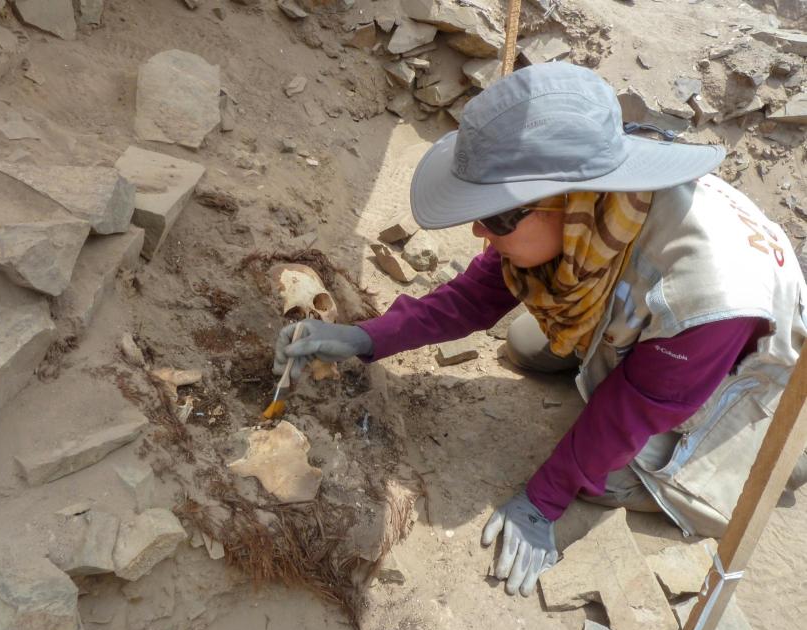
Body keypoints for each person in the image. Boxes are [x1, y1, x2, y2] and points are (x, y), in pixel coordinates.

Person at [272, 62, 807, 598]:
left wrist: (543, 501)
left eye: (498, 218)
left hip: (734, 381)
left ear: (571, 203)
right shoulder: (594, 212)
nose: (480, 229)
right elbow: (480, 293)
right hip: (661, 344)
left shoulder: (705, 299)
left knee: (607, 474)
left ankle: (783, 458)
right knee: (528, 344)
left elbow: (627, 414)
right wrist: (367, 338)